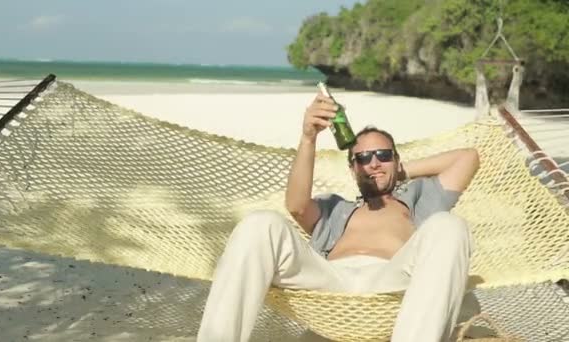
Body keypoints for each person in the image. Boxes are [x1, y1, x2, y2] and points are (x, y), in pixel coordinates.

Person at [197, 91, 480, 342]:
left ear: (396, 159)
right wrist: (309, 137)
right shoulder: (335, 207)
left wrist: (396, 171)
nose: (373, 163)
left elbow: (468, 158)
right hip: (331, 282)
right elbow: (296, 206)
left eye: (382, 154)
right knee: (260, 224)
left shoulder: (419, 199)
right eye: (363, 159)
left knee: (450, 226)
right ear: (352, 170)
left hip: (392, 279)